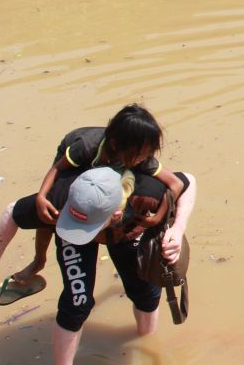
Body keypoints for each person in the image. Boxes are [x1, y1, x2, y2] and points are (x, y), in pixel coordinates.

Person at [0, 166, 197, 365]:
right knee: (77, 302)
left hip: (126, 233)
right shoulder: (59, 199)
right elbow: (11, 213)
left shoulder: (147, 193)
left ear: (116, 213)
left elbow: (188, 181)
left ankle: (145, 337)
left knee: (145, 290)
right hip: (69, 228)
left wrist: (177, 230)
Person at [16, 105, 184, 289]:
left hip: (108, 170)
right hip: (78, 164)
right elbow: (57, 168)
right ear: (114, 145)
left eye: (146, 155)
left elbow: (176, 183)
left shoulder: (141, 157)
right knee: (52, 207)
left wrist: (157, 217)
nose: (141, 160)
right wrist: (41, 196)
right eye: (138, 156)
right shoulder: (87, 146)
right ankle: (39, 260)